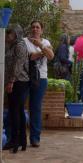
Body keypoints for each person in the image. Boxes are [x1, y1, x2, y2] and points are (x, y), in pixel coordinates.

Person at [24, 20, 54, 148]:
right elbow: (29, 57)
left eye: (37, 27)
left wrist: (40, 46)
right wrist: (43, 52)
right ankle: (19, 137)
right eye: (33, 27)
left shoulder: (45, 42)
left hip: (40, 78)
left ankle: (35, 138)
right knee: (20, 106)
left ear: (41, 30)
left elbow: (51, 56)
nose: (35, 29)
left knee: (35, 108)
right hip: (25, 78)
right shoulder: (25, 41)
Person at [4, 24, 30, 153]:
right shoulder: (12, 45)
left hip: (19, 82)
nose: (8, 35)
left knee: (15, 111)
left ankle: (16, 141)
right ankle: (21, 141)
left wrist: (11, 81)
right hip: (15, 82)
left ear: (17, 34)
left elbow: (18, 65)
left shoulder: (19, 46)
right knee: (17, 111)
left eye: (10, 33)